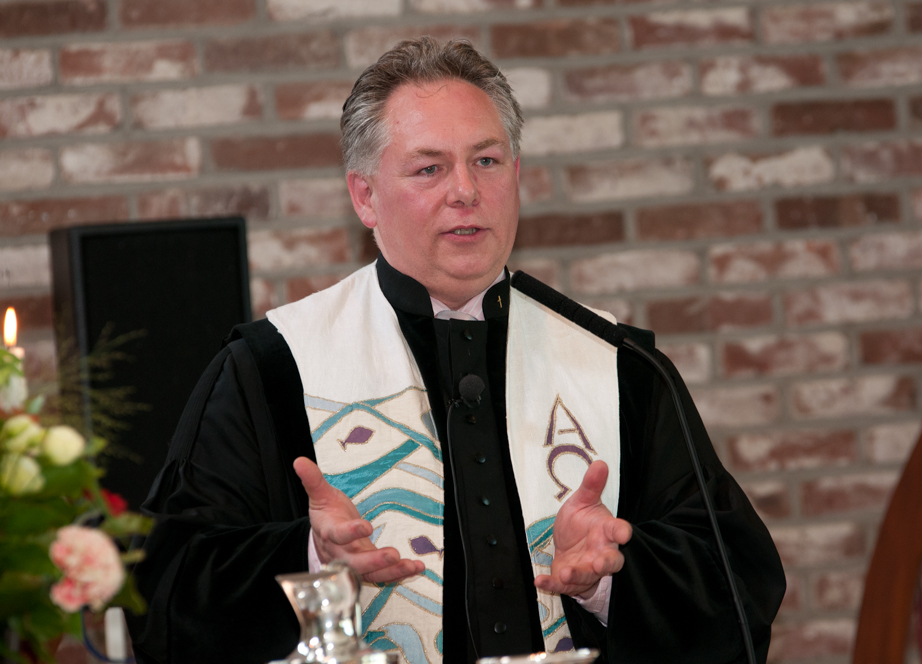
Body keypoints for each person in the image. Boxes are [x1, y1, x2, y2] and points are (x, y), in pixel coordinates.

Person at [127, 38, 785, 664]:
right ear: (365, 196)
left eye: (487, 161)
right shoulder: (272, 368)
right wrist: (312, 557)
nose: (465, 190)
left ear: (516, 175)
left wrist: (609, 579)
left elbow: (739, 588)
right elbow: (163, 598)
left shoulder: (618, 365)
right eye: (429, 168)